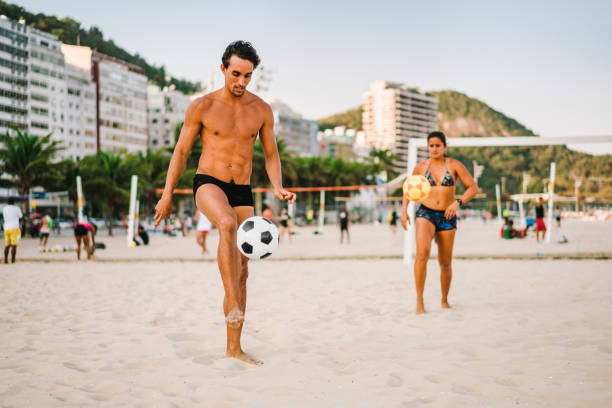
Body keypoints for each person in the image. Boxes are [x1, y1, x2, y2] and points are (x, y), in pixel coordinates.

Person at [154, 41, 295, 365]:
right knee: (227, 224)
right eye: (236, 74)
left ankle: (234, 348)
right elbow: (181, 153)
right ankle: (231, 300)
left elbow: (271, 155)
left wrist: (277, 186)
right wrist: (166, 195)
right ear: (222, 69)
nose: (241, 82)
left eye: (248, 76)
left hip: (242, 189)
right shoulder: (201, 106)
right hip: (209, 183)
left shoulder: (261, 109)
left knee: (243, 270)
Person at [401, 131, 478, 314]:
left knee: (445, 262)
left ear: (444, 147)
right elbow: (409, 190)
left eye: (438, 145)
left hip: (447, 216)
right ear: (428, 147)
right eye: (431, 145)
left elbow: (473, 188)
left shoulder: (454, 165)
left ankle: (444, 300)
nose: (434, 149)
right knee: (422, 254)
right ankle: (419, 302)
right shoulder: (420, 168)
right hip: (425, 213)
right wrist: (404, 211)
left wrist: (457, 202)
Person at [3, 198, 22, 264]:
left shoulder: (4, 208)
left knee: (7, 245)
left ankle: (5, 260)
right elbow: (20, 216)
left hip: (6, 228)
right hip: (14, 227)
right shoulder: (16, 208)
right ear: (14, 202)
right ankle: (13, 260)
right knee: (14, 245)